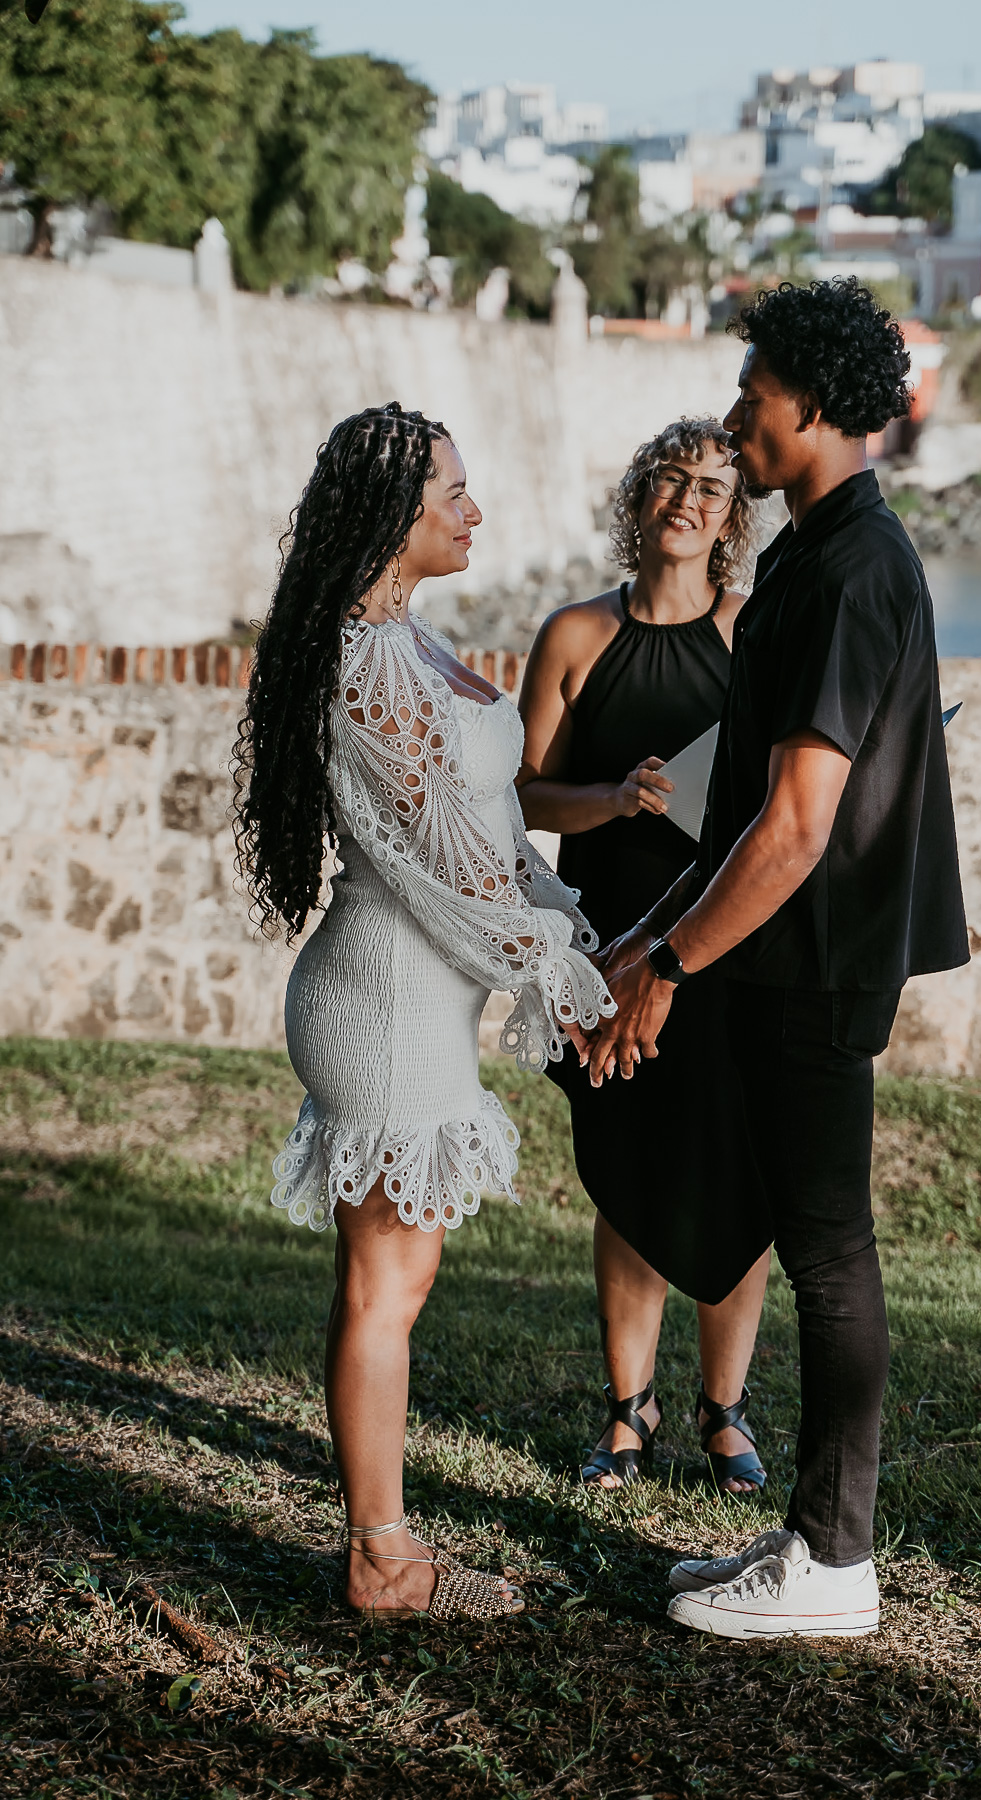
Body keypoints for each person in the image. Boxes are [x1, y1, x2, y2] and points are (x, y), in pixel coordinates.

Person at [585, 279, 970, 1639]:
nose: (737, 410)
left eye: (753, 390)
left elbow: (800, 828)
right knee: (801, 1242)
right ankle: (810, 1536)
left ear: (810, 406)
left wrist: (669, 968)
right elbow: (740, 802)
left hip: (814, 965)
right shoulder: (808, 557)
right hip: (767, 952)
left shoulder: (865, 569)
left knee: (830, 1255)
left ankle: (835, 1564)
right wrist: (636, 943)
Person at [233, 403, 613, 1624]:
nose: (474, 510)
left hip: (421, 998)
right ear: (390, 520)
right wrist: (557, 964)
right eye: (451, 491)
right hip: (387, 999)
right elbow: (435, 873)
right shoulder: (366, 665)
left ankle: (378, 1541)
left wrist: (571, 917)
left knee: (393, 1280)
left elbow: (491, 838)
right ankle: (381, 1562)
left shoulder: (415, 641)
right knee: (382, 1289)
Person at [517, 418, 773, 1496]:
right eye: (674, 478)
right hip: (600, 941)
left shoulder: (752, 632)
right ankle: (628, 1414)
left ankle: (725, 1414)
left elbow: (780, 799)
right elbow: (522, 792)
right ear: (642, 495)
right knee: (625, 1176)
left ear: (732, 518)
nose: (692, 499)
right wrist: (618, 796)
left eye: (715, 486)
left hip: (719, 947)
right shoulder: (575, 632)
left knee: (735, 1175)